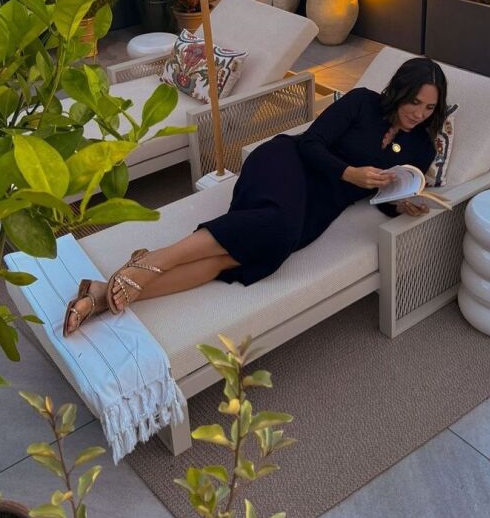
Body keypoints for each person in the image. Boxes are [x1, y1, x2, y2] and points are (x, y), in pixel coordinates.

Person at [63, 56, 448, 336]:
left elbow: (388, 188)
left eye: (429, 107)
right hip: (288, 163)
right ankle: (147, 264)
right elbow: (312, 142)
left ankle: (101, 295)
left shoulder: (422, 147)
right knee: (272, 225)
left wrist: (400, 202)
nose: (419, 113)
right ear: (399, 92)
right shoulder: (362, 102)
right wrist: (350, 173)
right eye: (414, 102)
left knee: (248, 256)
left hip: (321, 204)